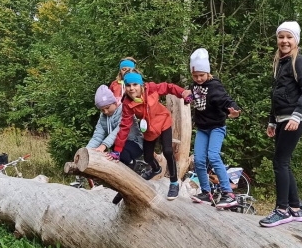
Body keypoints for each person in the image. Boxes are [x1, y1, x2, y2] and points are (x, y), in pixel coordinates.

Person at [259, 21, 302, 227]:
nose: (284, 41)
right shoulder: (280, 63)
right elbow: (276, 96)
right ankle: (294, 207)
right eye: (281, 37)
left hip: (295, 119)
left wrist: (296, 115)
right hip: (282, 120)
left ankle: (282, 210)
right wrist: (272, 121)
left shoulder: (299, 62)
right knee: (283, 162)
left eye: (289, 37)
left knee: (280, 162)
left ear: (296, 40)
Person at [109, 72, 191, 200]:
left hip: (163, 122)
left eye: (135, 84)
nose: (132, 88)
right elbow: (125, 126)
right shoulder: (127, 103)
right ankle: (156, 169)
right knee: (147, 157)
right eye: (128, 85)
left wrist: (183, 92)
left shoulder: (151, 89)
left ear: (141, 84)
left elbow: (168, 87)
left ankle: (174, 183)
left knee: (168, 151)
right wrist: (117, 151)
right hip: (149, 129)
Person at [186, 48, 242, 209]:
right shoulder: (194, 86)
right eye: (195, 76)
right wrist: (186, 96)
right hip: (203, 129)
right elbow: (192, 96)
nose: (198, 79)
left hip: (217, 127)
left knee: (213, 156)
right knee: (199, 160)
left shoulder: (214, 86)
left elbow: (226, 100)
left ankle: (228, 193)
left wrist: (234, 110)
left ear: (208, 73)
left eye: (201, 75)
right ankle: (206, 192)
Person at [87, 85, 143, 168]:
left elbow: (118, 131)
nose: (105, 112)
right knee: (109, 156)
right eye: (102, 110)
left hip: (134, 143)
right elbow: (97, 136)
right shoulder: (103, 117)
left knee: (122, 155)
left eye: (107, 108)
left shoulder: (124, 110)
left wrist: (103, 146)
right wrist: (87, 151)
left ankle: (134, 166)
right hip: (117, 145)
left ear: (114, 102)